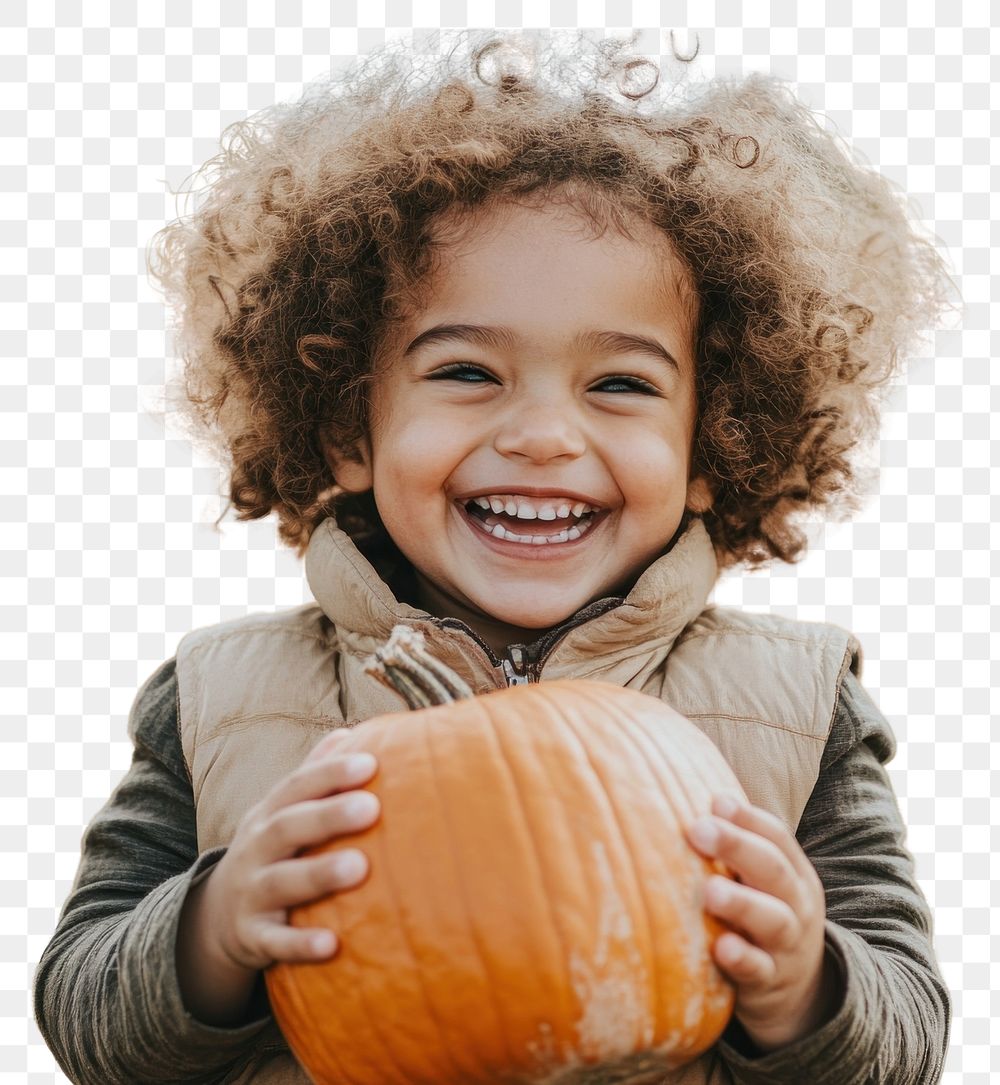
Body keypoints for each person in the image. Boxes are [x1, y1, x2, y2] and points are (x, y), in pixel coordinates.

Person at [34, 30, 952, 1085]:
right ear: (349, 426)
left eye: (619, 385)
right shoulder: (219, 698)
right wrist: (213, 927)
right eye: (468, 371)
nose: (542, 434)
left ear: (712, 446)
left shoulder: (795, 706)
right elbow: (84, 1013)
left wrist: (801, 984)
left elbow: (905, 1033)